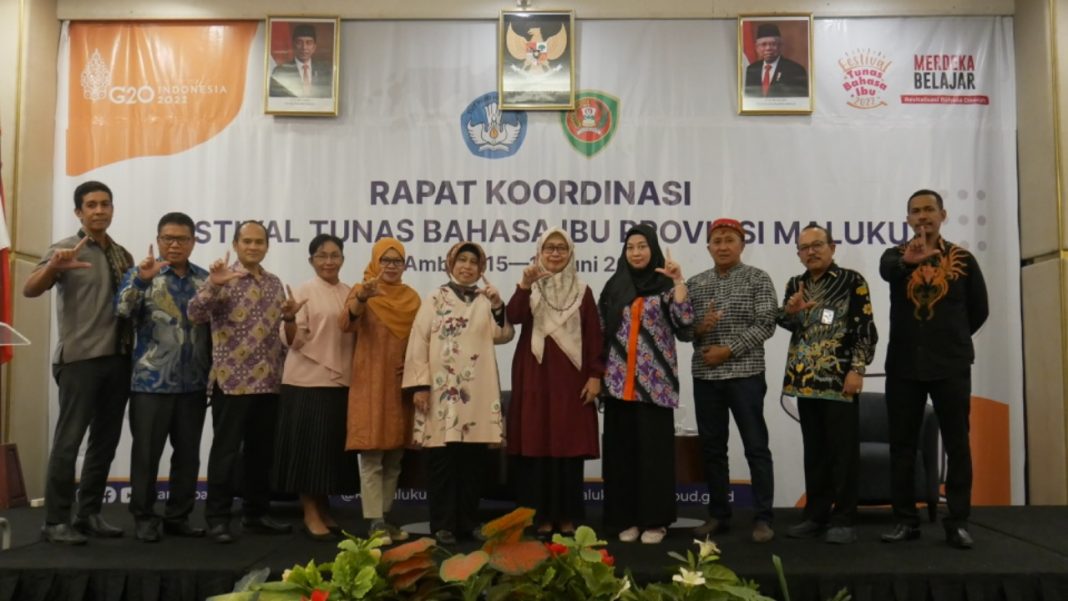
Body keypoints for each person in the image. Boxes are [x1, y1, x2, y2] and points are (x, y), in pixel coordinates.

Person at [23, 181, 134, 545]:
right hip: (79, 361)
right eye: (91, 205)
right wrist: (54, 268)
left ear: (112, 209)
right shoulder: (65, 249)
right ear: (78, 212)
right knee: (68, 442)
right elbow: (30, 289)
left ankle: (88, 514)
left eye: (105, 203)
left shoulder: (123, 255)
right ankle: (55, 521)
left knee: (105, 442)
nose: (99, 210)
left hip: (118, 360)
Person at [879, 189, 988, 550]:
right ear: (908, 219)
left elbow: (979, 309)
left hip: (950, 365)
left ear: (943, 215)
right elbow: (887, 271)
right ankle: (905, 520)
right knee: (902, 446)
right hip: (904, 366)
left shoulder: (964, 260)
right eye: (915, 211)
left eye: (929, 209)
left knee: (957, 445)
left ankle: (957, 522)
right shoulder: (895, 256)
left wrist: (949, 337)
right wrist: (908, 262)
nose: (922, 216)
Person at [188, 220, 295, 543]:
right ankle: (217, 519)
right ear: (235, 244)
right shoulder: (223, 278)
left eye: (259, 242)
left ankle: (256, 514)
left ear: (267, 246)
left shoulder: (274, 284)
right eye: (246, 241)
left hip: (269, 383)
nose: (253, 247)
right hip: (232, 382)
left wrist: (290, 317)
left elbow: (282, 336)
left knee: (261, 454)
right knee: (225, 453)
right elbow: (194, 313)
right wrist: (213, 285)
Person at [402, 241, 514, 545]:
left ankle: (468, 522)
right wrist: (420, 386)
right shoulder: (435, 298)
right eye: (461, 260)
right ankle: (442, 524)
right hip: (441, 394)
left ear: (481, 268)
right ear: (451, 264)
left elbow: (504, 334)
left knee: (472, 464)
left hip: (476, 394)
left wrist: (498, 305)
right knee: (442, 461)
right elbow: (418, 341)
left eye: (473, 262)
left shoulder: (485, 300)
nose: (467, 266)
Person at [777, 224, 877, 545]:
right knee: (815, 452)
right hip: (805, 380)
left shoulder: (851, 281)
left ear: (832, 247)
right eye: (804, 247)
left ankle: (845, 518)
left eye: (817, 245)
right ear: (798, 254)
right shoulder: (796, 284)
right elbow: (788, 322)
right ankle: (816, 516)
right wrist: (790, 311)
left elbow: (864, 327)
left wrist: (857, 369)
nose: (811, 252)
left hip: (839, 380)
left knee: (842, 453)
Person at [115, 212, 211, 542]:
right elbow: (121, 311)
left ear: (193, 242)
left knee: (188, 455)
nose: (174, 245)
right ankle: (144, 517)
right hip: (150, 383)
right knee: (146, 454)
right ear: (158, 240)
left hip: (193, 383)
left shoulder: (205, 280)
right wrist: (141, 281)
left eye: (182, 239)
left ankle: (178, 516)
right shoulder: (141, 274)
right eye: (168, 238)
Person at [598, 224, 693, 545]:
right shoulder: (614, 286)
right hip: (617, 386)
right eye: (630, 247)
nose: (636, 252)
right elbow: (600, 331)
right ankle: (624, 518)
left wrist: (679, 282)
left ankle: (655, 521)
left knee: (654, 458)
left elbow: (685, 326)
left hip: (655, 388)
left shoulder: (665, 285)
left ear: (653, 248)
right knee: (620, 457)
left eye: (642, 246)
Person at [684, 218, 778, 543]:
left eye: (729, 240)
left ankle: (763, 518)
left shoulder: (757, 278)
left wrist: (728, 350)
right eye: (717, 241)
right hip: (705, 377)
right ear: (708, 247)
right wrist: (700, 328)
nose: (723, 246)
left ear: (742, 245)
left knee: (756, 446)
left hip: (745, 375)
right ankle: (718, 515)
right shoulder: (695, 283)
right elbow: (683, 330)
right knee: (712, 449)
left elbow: (766, 323)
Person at [506, 228, 603, 540]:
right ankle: (540, 516)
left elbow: (594, 336)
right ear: (539, 252)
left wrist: (595, 375)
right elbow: (513, 317)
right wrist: (524, 286)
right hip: (534, 377)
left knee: (567, 446)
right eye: (549, 247)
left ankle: (567, 516)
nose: (556, 253)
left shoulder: (583, 291)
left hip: (570, 380)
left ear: (570, 253)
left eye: (561, 247)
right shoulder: (530, 288)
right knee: (537, 444)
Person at [273, 234, 359, 541]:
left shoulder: (351, 293)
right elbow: (293, 341)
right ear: (311, 260)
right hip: (306, 383)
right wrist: (288, 318)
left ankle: (323, 508)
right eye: (322, 255)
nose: (329, 261)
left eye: (335, 255)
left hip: (341, 383)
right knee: (308, 452)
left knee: (329, 453)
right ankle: (309, 512)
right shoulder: (302, 291)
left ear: (343, 259)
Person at [342, 237, 421, 545]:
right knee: (372, 454)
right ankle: (374, 520)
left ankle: (385, 518)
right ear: (376, 262)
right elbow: (346, 323)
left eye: (397, 261)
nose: (391, 266)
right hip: (370, 382)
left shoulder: (412, 298)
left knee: (395, 456)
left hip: (401, 384)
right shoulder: (362, 290)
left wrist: (414, 368)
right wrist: (362, 298)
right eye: (385, 260)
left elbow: (421, 340)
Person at [743, 23, 809, 98]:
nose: (768, 48)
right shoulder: (751, 70)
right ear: (757, 48)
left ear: (780, 46)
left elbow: (800, 101)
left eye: (773, 44)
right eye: (763, 44)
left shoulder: (796, 70)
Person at [269, 23, 333, 98]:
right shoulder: (280, 71)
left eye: (308, 43)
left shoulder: (325, 70)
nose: (304, 47)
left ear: (314, 47)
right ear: (293, 45)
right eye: (299, 42)